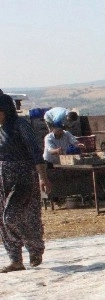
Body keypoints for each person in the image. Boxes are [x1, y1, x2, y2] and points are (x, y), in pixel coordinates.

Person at [0, 92, 53, 272]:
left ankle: (35, 246)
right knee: (2, 220)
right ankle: (15, 260)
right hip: (2, 178)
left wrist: (43, 177)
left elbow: (35, 152)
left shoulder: (20, 125)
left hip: (23, 177)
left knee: (13, 216)